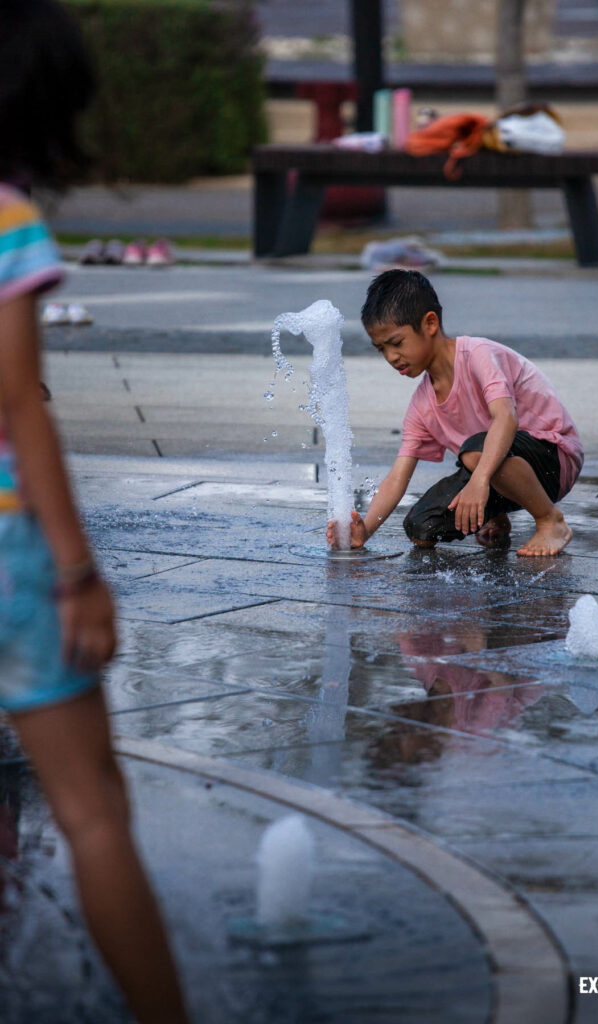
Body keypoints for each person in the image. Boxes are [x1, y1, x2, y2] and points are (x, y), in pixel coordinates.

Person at [0, 2, 190, 1021]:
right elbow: (20, 410)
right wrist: (76, 569)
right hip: (5, 550)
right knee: (92, 811)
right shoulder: (7, 219)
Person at [327, 269, 583, 556]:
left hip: (553, 458)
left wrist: (479, 481)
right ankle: (495, 512)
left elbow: (506, 418)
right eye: (381, 349)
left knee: (475, 452)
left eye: (396, 343)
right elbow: (398, 476)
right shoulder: (421, 406)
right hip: (495, 469)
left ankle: (550, 520)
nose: (391, 357)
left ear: (430, 323)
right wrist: (366, 530)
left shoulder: (477, 355)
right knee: (421, 527)